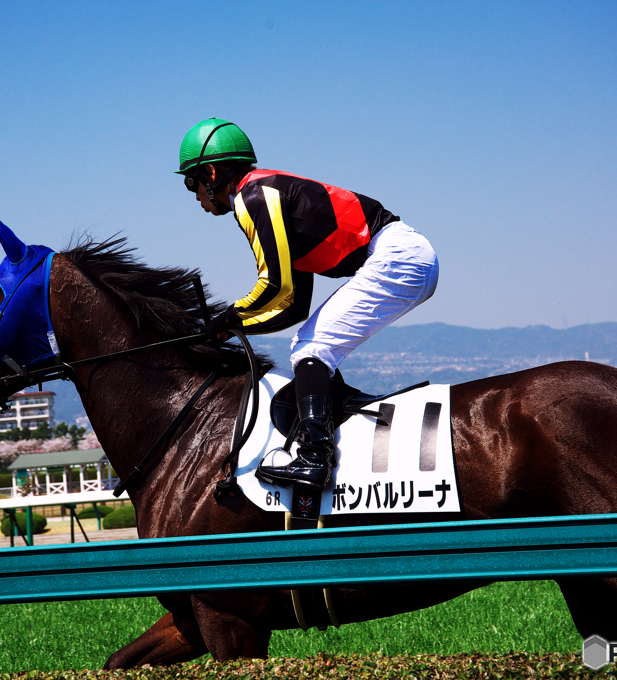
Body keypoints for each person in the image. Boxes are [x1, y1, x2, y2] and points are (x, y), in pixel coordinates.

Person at [177, 118, 439, 490]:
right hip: (402, 255)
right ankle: (331, 430)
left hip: (398, 256)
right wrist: (233, 329)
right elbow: (293, 306)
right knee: (309, 341)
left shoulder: (253, 198)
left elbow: (274, 285)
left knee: (312, 347)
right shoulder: (266, 195)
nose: (195, 197)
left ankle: (315, 459)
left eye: (192, 183)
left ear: (212, 174)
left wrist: (227, 317)